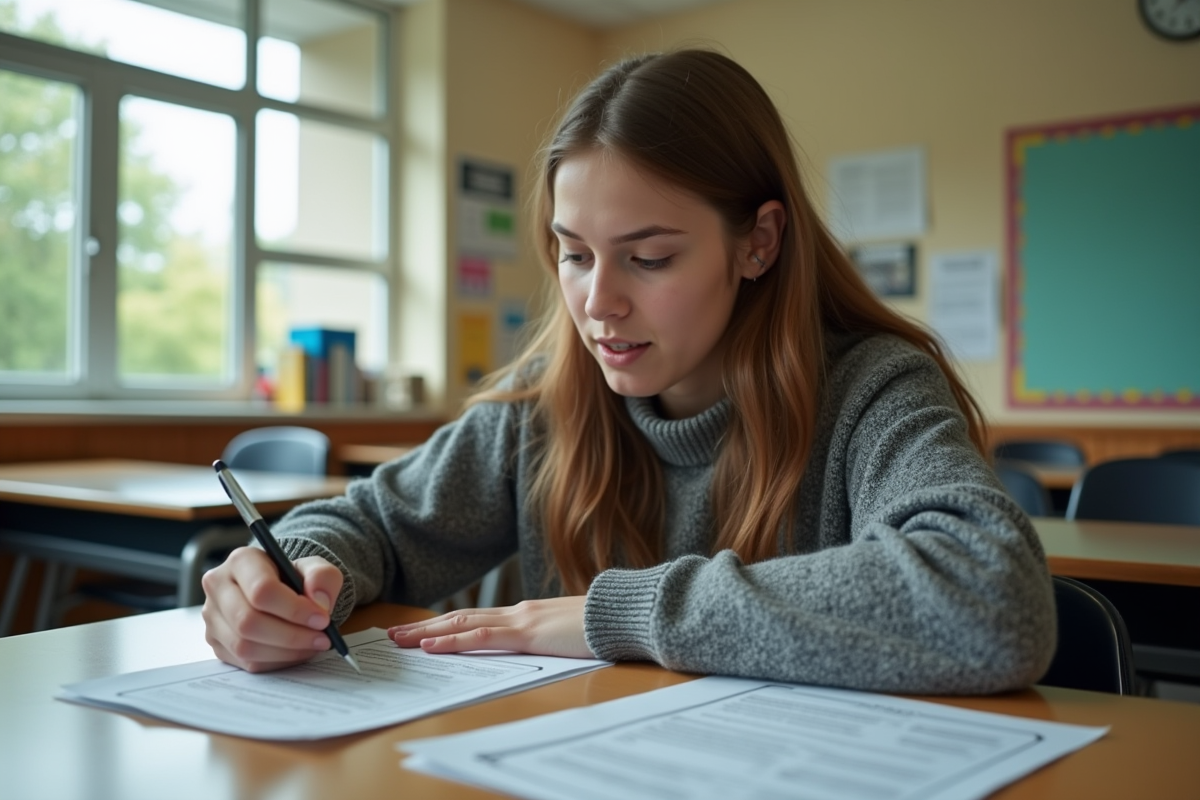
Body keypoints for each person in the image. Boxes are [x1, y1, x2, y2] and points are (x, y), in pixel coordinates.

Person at [202, 49, 1055, 694]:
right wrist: (294, 575)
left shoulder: (874, 391)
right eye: (574, 255)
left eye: (648, 258)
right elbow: (374, 527)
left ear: (758, 242)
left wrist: (620, 616)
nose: (597, 303)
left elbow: (993, 599)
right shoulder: (541, 413)